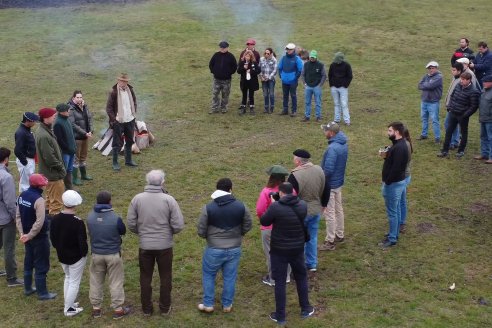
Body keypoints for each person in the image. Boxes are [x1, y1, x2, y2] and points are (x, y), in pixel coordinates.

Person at [127, 170, 184, 316]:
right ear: (162, 182)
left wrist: (143, 234)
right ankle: (165, 308)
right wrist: (168, 234)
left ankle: (147, 309)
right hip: (165, 246)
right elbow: (178, 225)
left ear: (147, 181)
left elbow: (131, 223)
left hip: (145, 246)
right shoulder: (169, 200)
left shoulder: (137, 199)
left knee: (145, 277)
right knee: (165, 276)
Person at [260, 182, 315, 325]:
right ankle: (305, 308)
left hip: (279, 250)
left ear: (281, 193)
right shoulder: (302, 205)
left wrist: (273, 203)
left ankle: (280, 315)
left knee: (280, 281)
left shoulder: (276, 207)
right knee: (301, 277)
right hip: (297, 248)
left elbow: (264, 220)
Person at [197, 178, 252, 313]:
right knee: (230, 277)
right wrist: (240, 234)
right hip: (234, 248)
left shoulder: (208, 208)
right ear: (230, 189)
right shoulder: (241, 206)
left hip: (214, 249)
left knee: (209, 275)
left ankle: (208, 304)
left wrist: (208, 237)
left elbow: (201, 229)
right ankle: (227, 305)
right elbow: (248, 224)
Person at [87, 191, 130, 319]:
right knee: (116, 282)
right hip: (113, 255)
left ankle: (96, 308)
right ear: (109, 201)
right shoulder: (115, 218)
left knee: (95, 281)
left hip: (96, 254)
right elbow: (122, 231)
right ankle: (118, 309)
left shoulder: (89, 217)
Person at [16, 173, 56, 299]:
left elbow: (18, 216)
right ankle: (43, 293)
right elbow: (40, 222)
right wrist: (30, 235)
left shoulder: (22, 195)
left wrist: (23, 233)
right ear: (40, 186)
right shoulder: (39, 200)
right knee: (41, 263)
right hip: (39, 237)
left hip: (26, 236)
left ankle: (28, 288)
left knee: (28, 261)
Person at [50, 190, 87, 317]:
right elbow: (82, 241)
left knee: (68, 278)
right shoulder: (78, 222)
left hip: (62, 255)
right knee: (74, 282)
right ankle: (68, 309)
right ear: (75, 205)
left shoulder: (55, 219)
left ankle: (69, 304)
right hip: (76, 257)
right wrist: (84, 254)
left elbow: (53, 239)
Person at [287, 149, 325, 273]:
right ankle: (312, 263)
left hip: (301, 212)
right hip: (315, 209)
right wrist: (323, 205)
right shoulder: (319, 170)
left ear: (298, 161)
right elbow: (326, 188)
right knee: (312, 238)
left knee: (298, 239)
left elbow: (291, 196)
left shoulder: (295, 175)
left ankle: (298, 264)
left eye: (294, 158)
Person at [256, 165, 290, 287]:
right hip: (287, 227)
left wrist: (265, 220)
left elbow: (260, 210)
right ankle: (286, 276)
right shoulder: (291, 191)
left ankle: (274, 278)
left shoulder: (266, 192)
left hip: (270, 228)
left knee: (272, 254)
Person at [318, 122, 348, 251]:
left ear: (331, 133)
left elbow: (328, 170)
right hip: (338, 182)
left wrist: (319, 179)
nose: (324, 132)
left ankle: (330, 241)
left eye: (326, 130)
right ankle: (339, 234)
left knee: (329, 213)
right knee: (338, 209)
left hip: (330, 184)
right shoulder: (343, 144)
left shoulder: (332, 149)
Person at [379, 122, 409, 248]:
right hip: (398, 182)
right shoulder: (399, 145)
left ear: (397, 132)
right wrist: (387, 155)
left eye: (390, 131)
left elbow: (396, 168)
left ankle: (392, 239)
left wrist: (387, 181)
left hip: (394, 184)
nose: (388, 133)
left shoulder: (399, 148)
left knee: (392, 212)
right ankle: (394, 234)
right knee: (395, 210)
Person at [438, 72, 480, 158]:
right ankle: (445, 150)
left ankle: (461, 151)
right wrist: (450, 107)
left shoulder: (473, 91)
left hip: (462, 115)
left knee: (464, 133)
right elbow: (452, 96)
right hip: (453, 112)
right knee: (448, 131)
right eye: (461, 79)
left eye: (464, 79)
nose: (462, 81)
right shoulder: (458, 85)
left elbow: (474, 106)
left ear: (469, 80)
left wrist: (465, 115)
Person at [35, 108, 66, 215]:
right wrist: (61, 168)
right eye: (53, 116)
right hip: (53, 174)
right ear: (46, 118)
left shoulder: (43, 130)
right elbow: (49, 158)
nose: (55, 117)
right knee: (56, 204)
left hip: (48, 173)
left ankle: (46, 222)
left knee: (49, 200)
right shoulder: (43, 135)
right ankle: (54, 228)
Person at [0, 147, 23, 287]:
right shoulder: (6, 177)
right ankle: (12, 278)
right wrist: (15, 216)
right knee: (9, 248)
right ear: (6, 159)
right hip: (5, 219)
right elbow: (9, 201)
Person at [106, 73, 138, 171]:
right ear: (118, 81)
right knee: (117, 143)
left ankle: (128, 160)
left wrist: (133, 114)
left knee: (129, 141)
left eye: (125, 81)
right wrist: (114, 120)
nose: (124, 83)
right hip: (119, 121)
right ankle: (115, 163)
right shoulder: (114, 92)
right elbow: (109, 108)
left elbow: (134, 102)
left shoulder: (130, 90)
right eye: (122, 81)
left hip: (129, 119)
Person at [68, 90, 94, 185]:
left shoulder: (84, 107)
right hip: (77, 137)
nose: (79, 99)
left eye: (81, 97)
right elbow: (73, 124)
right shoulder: (70, 109)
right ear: (73, 98)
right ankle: (75, 178)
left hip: (85, 136)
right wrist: (84, 133)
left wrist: (91, 130)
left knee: (83, 156)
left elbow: (89, 118)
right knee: (76, 158)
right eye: (77, 97)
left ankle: (84, 175)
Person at [417, 61, 443, 143]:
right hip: (424, 101)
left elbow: (430, 86)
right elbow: (419, 85)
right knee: (424, 118)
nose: (431, 70)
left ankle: (437, 138)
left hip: (433, 102)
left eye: (433, 68)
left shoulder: (439, 77)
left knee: (435, 120)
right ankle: (424, 134)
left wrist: (425, 84)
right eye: (430, 68)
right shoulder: (426, 76)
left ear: (436, 68)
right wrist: (427, 84)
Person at [209, 41, 238, 114]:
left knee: (225, 95)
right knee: (215, 94)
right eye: (221, 47)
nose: (222, 49)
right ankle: (215, 108)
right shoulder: (216, 55)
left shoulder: (231, 56)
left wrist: (229, 73)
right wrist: (214, 71)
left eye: (223, 47)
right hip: (217, 79)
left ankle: (224, 108)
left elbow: (234, 67)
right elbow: (211, 64)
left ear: (227, 48)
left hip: (226, 80)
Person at [53, 103, 77, 190]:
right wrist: (67, 148)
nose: (69, 111)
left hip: (71, 151)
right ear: (62, 112)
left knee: (69, 170)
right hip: (65, 152)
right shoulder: (58, 123)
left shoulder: (67, 120)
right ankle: (61, 190)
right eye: (68, 110)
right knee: (64, 171)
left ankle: (69, 189)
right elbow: (59, 140)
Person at [14, 112, 39, 193]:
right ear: (28, 121)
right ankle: (24, 201)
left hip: (28, 160)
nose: (35, 123)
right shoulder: (21, 132)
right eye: (34, 121)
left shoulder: (26, 130)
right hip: (26, 160)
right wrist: (25, 162)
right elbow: (17, 150)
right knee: (25, 184)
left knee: (29, 181)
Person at [278, 43, 303, 117]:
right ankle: (285, 109)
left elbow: (300, 69)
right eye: (287, 49)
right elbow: (279, 67)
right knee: (285, 95)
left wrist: (295, 77)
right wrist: (281, 76)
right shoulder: (283, 58)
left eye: (290, 49)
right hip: (284, 81)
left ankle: (294, 111)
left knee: (293, 95)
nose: (288, 51)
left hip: (293, 81)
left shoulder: (297, 59)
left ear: (293, 50)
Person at [301, 50, 326, 122]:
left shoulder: (320, 65)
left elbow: (324, 75)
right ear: (309, 57)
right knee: (307, 102)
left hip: (317, 87)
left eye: (313, 57)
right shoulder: (306, 64)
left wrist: (320, 84)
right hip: (308, 86)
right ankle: (307, 116)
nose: (312, 58)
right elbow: (302, 74)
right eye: (311, 57)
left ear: (316, 57)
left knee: (318, 102)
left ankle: (318, 117)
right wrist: (304, 83)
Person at [444, 62, 464, 150]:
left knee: (448, 124)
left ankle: (452, 142)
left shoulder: (461, 81)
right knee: (454, 125)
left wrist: (451, 105)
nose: (452, 72)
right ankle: (455, 141)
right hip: (451, 106)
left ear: (459, 71)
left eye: (454, 70)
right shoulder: (455, 78)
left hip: (454, 107)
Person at [328, 52, 353, 125]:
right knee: (336, 103)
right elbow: (330, 75)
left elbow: (350, 76)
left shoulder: (347, 65)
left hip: (343, 88)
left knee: (344, 104)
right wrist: (331, 84)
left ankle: (347, 120)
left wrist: (345, 85)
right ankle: (336, 119)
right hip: (334, 87)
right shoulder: (332, 65)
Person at [473, 75, 492, 164]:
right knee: (483, 137)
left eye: (486, 82)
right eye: (484, 81)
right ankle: (484, 154)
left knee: (490, 138)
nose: (484, 83)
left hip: (490, 120)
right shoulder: (483, 90)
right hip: (483, 118)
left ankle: (491, 157)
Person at [237, 50, 260, 114]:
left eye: (249, 56)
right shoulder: (242, 62)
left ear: (251, 56)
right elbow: (238, 71)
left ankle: (251, 108)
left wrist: (251, 71)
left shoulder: (254, 63)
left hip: (251, 82)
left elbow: (258, 71)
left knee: (251, 95)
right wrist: (244, 68)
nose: (247, 57)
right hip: (244, 82)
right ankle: (243, 108)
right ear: (244, 56)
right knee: (244, 95)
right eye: (246, 56)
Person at [400, 127, 413, 233]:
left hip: (403, 177)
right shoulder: (406, 144)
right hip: (405, 176)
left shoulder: (405, 146)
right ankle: (401, 221)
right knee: (401, 200)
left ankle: (402, 222)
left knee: (401, 200)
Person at [259, 47, 277, 113]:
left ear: (271, 54)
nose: (266, 54)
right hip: (263, 80)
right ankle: (266, 108)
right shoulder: (261, 59)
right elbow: (259, 68)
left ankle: (272, 107)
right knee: (265, 94)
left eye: (268, 53)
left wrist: (268, 78)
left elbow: (275, 71)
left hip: (271, 80)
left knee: (271, 94)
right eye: (265, 53)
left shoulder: (274, 60)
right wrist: (261, 76)